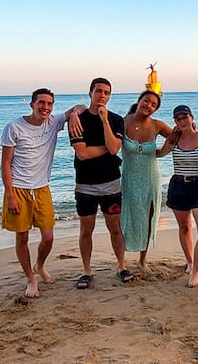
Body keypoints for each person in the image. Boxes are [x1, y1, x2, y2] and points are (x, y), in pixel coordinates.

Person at [1, 88, 84, 298]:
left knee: (48, 237)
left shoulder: (54, 122)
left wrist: (73, 114)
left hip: (42, 189)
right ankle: (31, 279)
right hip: (18, 189)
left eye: (49, 104)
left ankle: (40, 265)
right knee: (22, 238)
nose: (45, 107)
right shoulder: (14, 127)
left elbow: (81, 107)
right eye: (41, 103)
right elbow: (5, 164)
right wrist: (9, 194)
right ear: (32, 104)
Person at [70, 77, 134, 290]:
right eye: (98, 91)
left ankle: (121, 266)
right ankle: (87, 270)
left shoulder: (116, 120)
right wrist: (107, 147)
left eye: (106, 92)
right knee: (86, 228)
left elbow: (115, 148)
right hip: (85, 184)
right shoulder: (78, 119)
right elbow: (82, 153)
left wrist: (105, 121)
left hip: (111, 183)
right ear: (90, 93)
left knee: (114, 227)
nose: (102, 96)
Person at [157, 105, 198, 288]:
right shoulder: (174, 139)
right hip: (179, 185)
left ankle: (195, 271)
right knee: (185, 227)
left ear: (191, 117)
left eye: (184, 117)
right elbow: (159, 153)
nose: (181, 121)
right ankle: (190, 262)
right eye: (178, 118)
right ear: (175, 121)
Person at [120, 90, 173, 272]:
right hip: (129, 179)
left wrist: (162, 152)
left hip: (151, 179)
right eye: (146, 101)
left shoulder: (157, 125)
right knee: (126, 217)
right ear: (139, 100)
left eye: (153, 105)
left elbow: (176, 136)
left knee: (149, 218)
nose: (148, 106)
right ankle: (122, 261)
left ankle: (143, 260)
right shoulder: (123, 122)